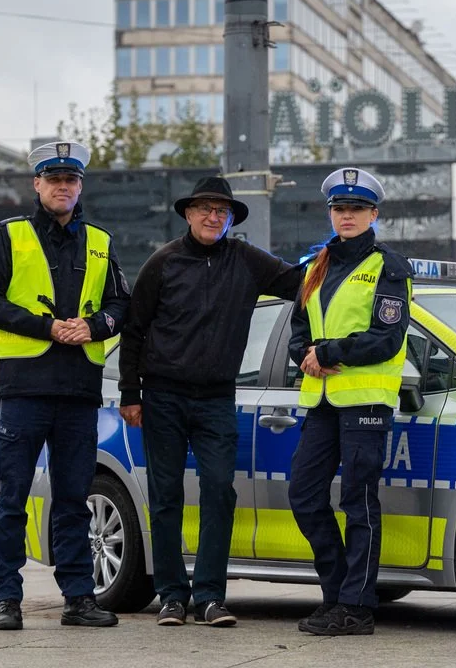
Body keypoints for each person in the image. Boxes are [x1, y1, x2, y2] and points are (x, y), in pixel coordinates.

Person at [118, 176, 303, 627]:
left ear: (230, 219)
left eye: (221, 211)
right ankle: (171, 596)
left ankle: (209, 597)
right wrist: (130, 394)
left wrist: (342, 259)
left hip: (218, 398)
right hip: (162, 396)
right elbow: (133, 330)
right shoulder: (162, 263)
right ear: (188, 214)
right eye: (204, 209)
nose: (212, 217)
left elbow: (301, 283)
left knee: (219, 491)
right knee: (165, 498)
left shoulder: (246, 261)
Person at [0, 141, 129, 631]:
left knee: (73, 499)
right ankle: (7, 598)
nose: (63, 186)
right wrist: (46, 326)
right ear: (37, 184)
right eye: (53, 178)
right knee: (12, 498)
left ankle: (78, 598)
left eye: (71, 179)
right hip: (23, 389)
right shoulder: (10, 236)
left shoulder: (101, 241)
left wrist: (96, 326)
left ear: (80, 186)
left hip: (79, 390)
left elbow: (121, 306)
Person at [288, 167, 413, 637]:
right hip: (320, 400)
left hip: (364, 401)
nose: (348, 216)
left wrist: (329, 352)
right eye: (340, 209)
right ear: (331, 213)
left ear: (373, 214)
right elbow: (299, 333)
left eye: (357, 209)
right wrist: (306, 353)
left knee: (358, 503)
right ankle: (337, 593)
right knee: (303, 495)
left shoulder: (388, 267)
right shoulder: (314, 266)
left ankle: (356, 609)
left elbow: (386, 337)